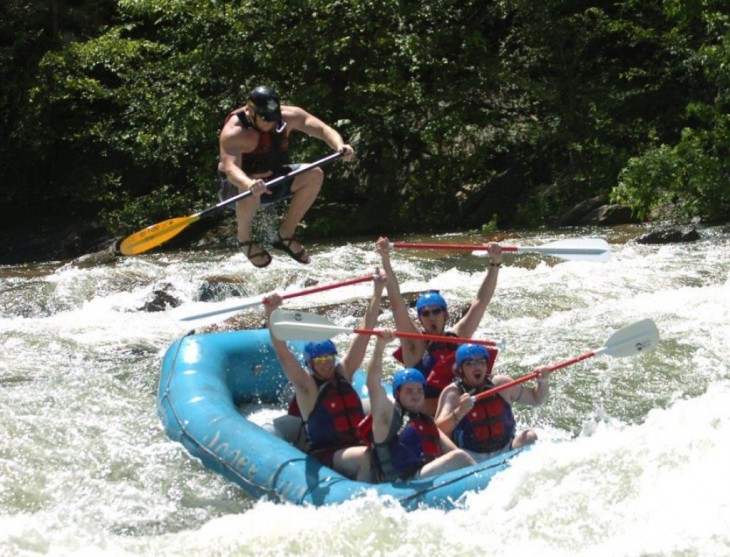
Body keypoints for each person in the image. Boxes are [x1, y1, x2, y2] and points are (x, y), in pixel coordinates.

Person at [262, 272, 385, 480]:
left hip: (356, 444)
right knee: (369, 456)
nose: (327, 364)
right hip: (327, 454)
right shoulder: (307, 387)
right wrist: (271, 313)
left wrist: (378, 290)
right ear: (311, 364)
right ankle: (363, 492)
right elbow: (283, 354)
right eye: (320, 361)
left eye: (329, 358)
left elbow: (365, 331)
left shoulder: (343, 373)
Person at [218, 85, 355, 267]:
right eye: (265, 120)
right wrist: (249, 182)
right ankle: (244, 239)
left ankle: (285, 234)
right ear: (251, 112)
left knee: (314, 174)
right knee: (247, 186)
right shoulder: (234, 131)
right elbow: (230, 169)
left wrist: (339, 145)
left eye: (273, 119)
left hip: (273, 181)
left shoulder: (290, 116)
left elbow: (323, 130)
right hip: (237, 190)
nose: (270, 124)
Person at [375, 236, 503, 414]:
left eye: (436, 312)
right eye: (426, 314)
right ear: (420, 319)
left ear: (445, 315)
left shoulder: (458, 337)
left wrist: (495, 264)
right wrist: (386, 260)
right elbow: (397, 306)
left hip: (459, 413)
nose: (431, 317)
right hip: (428, 417)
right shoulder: (415, 345)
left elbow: (480, 302)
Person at [365, 331, 476, 482]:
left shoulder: (426, 421)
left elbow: (452, 450)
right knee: (460, 458)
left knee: (460, 455)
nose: (416, 395)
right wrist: (380, 346)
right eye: (409, 391)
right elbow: (373, 384)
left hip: (427, 480)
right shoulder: (388, 418)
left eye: (419, 390)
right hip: (402, 483)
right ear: (398, 395)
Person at [434, 343, 550, 461]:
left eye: (481, 361)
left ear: (486, 366)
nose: (477, 367)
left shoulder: (502, 384)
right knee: (456, 456)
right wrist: (459, 412)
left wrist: (543, 381)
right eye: (469, 363)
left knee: (530, 436)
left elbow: (537, 400)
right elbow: (438, 432)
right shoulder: (453, 393)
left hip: (506, 449)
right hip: (471, 457)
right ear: (460, 369)